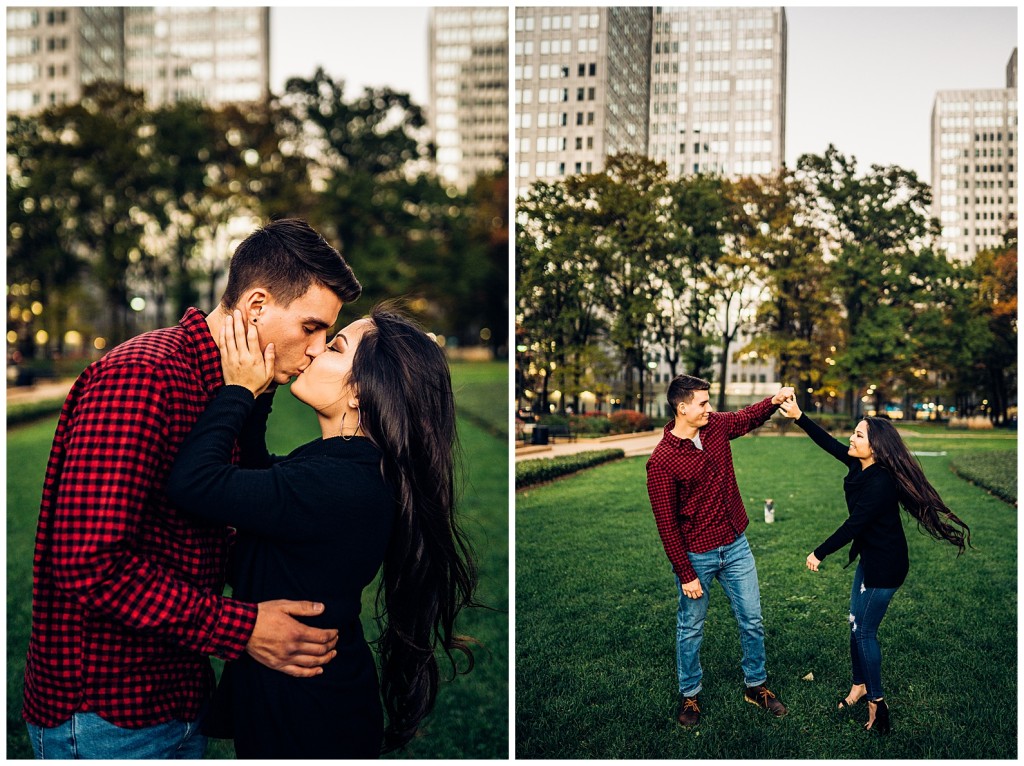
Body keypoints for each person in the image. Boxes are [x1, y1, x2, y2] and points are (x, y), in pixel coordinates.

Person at [22, 218, 361, 759]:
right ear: (255, 307)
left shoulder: (224, 387)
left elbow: (203, 529)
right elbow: (87, 560)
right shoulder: (143, 377)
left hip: (176, 698)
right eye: (311, 328)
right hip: (107, 714)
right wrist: (244, 628)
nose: (318, 349)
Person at [166, 303, 477, 757]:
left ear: (359, 393)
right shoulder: (348, 465)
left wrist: (237, 391)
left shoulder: (342, 485)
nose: (313, 351)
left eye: (334, 346)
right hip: (302, 697)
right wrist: (264, 386)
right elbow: (258, 477)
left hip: (308, 716)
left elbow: (196, 483)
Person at [778, 399, 972, 734]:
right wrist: (799, 418)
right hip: (871, 559)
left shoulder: (881, 482)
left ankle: (877, 704)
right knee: (855, 621)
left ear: (875, 447)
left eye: (858, 435)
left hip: (887, 568)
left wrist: (819, 553)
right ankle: (859, 685)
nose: (851, 439)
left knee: (865, 631)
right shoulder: (859, 465)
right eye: (854, 433)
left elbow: (854, 525)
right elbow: (828, 443)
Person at [646, 374, 794, 727]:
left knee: (752, 620)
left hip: (736, 545)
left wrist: (774, 400)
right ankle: (690, 695)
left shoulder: (714, 428)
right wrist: (686, 573)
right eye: (702, 403)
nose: (709, 409)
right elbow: (667, 525)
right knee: (691, 627)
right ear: (682, 408)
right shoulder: (662, 461)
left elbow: (746, 417)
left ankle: (755, 685)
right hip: (698, 554)